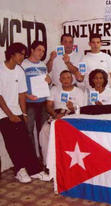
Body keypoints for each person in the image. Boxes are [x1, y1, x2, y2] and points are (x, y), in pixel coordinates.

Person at [0, 43, 50, 183]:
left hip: (17, 111)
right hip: (3, 113)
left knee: (25, 142)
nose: (23, 57)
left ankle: (35, 170)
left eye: (24, 54)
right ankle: (19, 170)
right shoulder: (1, 70)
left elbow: (22, 94)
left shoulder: (19, 71)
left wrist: (24, 114)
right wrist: (10, 115)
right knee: (12, 143)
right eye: (20, 54)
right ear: (12, 54)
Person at [39, 70, 85, 164]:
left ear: (72, 79)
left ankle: (66, 162)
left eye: (68, 78)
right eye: (63, 78)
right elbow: (48, 106)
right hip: (56, 114)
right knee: (44, 130)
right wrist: (55, 115)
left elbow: (81, 110)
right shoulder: (55, 89)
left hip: (72, 115)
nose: (66, 80)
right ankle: (47, 163)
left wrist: (72, 108)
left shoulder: (79, 92)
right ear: (60, 80)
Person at [21, 40, 51, 156]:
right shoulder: (24, 64)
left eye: (43, 51)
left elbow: (47, 81)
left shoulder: (43, 65)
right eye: (39, 50)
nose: (41, 53)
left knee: (42, 132)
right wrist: (27, 95)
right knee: (28, 131)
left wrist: (49, 80)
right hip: (29, 103)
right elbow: (19, 85)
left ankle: (44, 160)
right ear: (32, 50)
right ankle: (32, 160)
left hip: (43, 102)